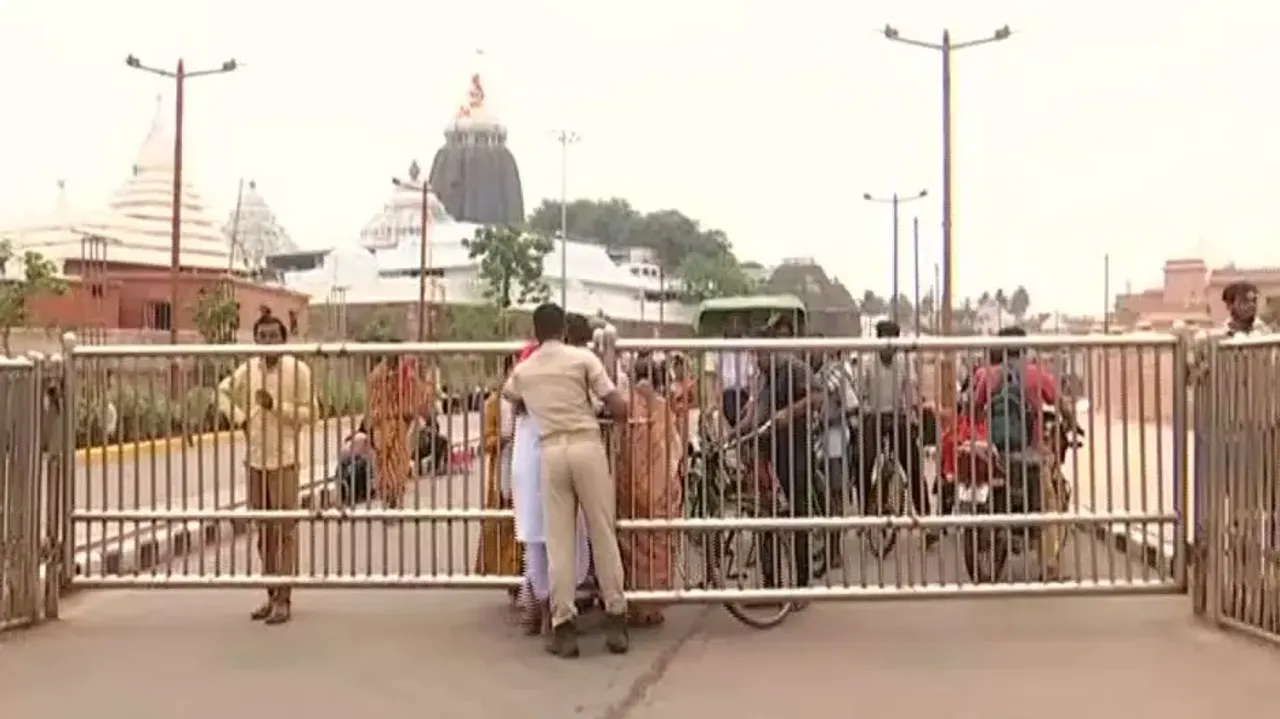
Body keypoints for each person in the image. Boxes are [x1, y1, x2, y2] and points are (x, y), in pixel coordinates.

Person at [505, 303, 631, 659]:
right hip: (586, 446)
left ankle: (563, 627)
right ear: (562, 328)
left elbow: (511, 400)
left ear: (536, 330)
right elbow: (618, 406)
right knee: (601, 533)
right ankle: (616, 617)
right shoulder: (583, 360)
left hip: (550, 451)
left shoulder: (525, 370)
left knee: (558, 540)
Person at [217, 312, 314, 625]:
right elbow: (221, 391)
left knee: (285, 529)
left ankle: (285, 597)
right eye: (263, 336)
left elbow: (311, 413)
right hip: (256, 459)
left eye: (274, 336)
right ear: (256, 339)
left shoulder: (298, 370)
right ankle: (271, 592)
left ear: (283, 340)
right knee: (264, 532)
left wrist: (277, 407)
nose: (268, 342)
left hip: (284, 459)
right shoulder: (248, 369)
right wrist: (240, 417)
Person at [969, 325, 1072, 577]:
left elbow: (974, 409)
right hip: (1031, 453)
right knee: (1049, 505)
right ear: (1024, 348)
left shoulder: (988, 376)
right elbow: (1060, 403)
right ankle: (1049, 566)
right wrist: (1070, 422)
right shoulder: (1036, 375)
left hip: (996, 453)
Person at [730, 324, 825, 594]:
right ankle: (772, 584)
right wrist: (733, 435)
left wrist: (789, 413)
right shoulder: (761, 380)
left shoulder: (795, 369)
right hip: (766, 452)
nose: (756, 360)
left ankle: (803, 583)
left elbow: (817, 397)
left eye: (759, 354)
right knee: (765, 516)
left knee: (798, 514)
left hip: (794, 449)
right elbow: (752, 417)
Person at [510, 340, 593, 640]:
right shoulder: (553, 399)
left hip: (536, 477)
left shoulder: (521, 405)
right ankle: (554, 615)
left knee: (539, 548)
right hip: (550, 474)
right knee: (559, 545)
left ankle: (549, 613)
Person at [616, 354, 685, 627]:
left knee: (633, 543)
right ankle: (654, 606)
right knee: (659, 543)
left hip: (630, 486)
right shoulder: (663, 407)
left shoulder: (628, 405)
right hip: (661, 487)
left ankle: (634, 603)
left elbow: (620, 446)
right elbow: (675, 448)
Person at [853, 320, 928, 523]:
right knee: (864, 461)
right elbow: (860, 393)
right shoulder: (866, 359)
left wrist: (913, 415)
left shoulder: (905, 359)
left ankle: (926, 518)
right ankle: (865, 512)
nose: (890, 348)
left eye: (893, 343)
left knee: (912, 463)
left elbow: (910, 389)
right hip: (873, 415)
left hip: (897, 415)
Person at [475, 354, 522, 604]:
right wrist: (503, 440)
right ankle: (511, 577)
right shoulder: (494, 402)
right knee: (506, 523)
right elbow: (486, 440)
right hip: (503, 471)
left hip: (526, 468)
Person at [365, 341, 433, 508]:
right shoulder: (376, 376)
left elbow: (419, 396)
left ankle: (395, 493)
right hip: (382, 425)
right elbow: (372, 402)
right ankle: (388, 494)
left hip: (400, 425)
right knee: (383, 462)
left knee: (399, 462)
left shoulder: (407, 374)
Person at [708, 315, 753, 426]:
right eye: (731, 322)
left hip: (743, 394)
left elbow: (752, 378)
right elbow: (711, 378)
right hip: (723, 395)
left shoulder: (750, 346)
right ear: (724, 324)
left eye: (738, 322)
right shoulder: (715, 346)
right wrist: (713, 401)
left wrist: (752, 399)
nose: (735, 326)